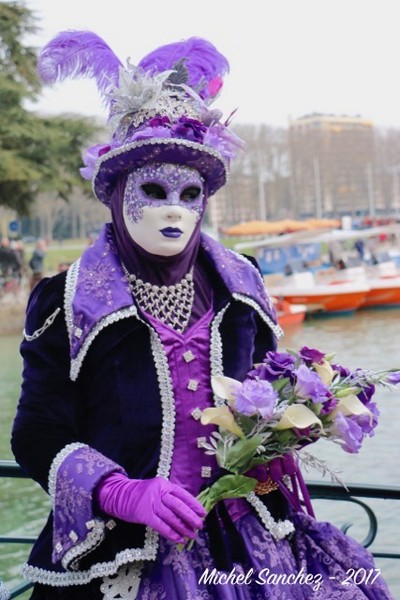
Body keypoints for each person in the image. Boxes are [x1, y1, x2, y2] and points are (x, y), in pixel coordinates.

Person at [11, 31, 393, 600]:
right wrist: (118, 491)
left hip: (247, 542)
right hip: (120, 548)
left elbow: (268, 388)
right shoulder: (69, 298)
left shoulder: (242, 287)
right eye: (154, 189)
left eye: (190, 193)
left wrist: (304, 418)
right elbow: (37, 431)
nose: (173, 208)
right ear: (115, 192)